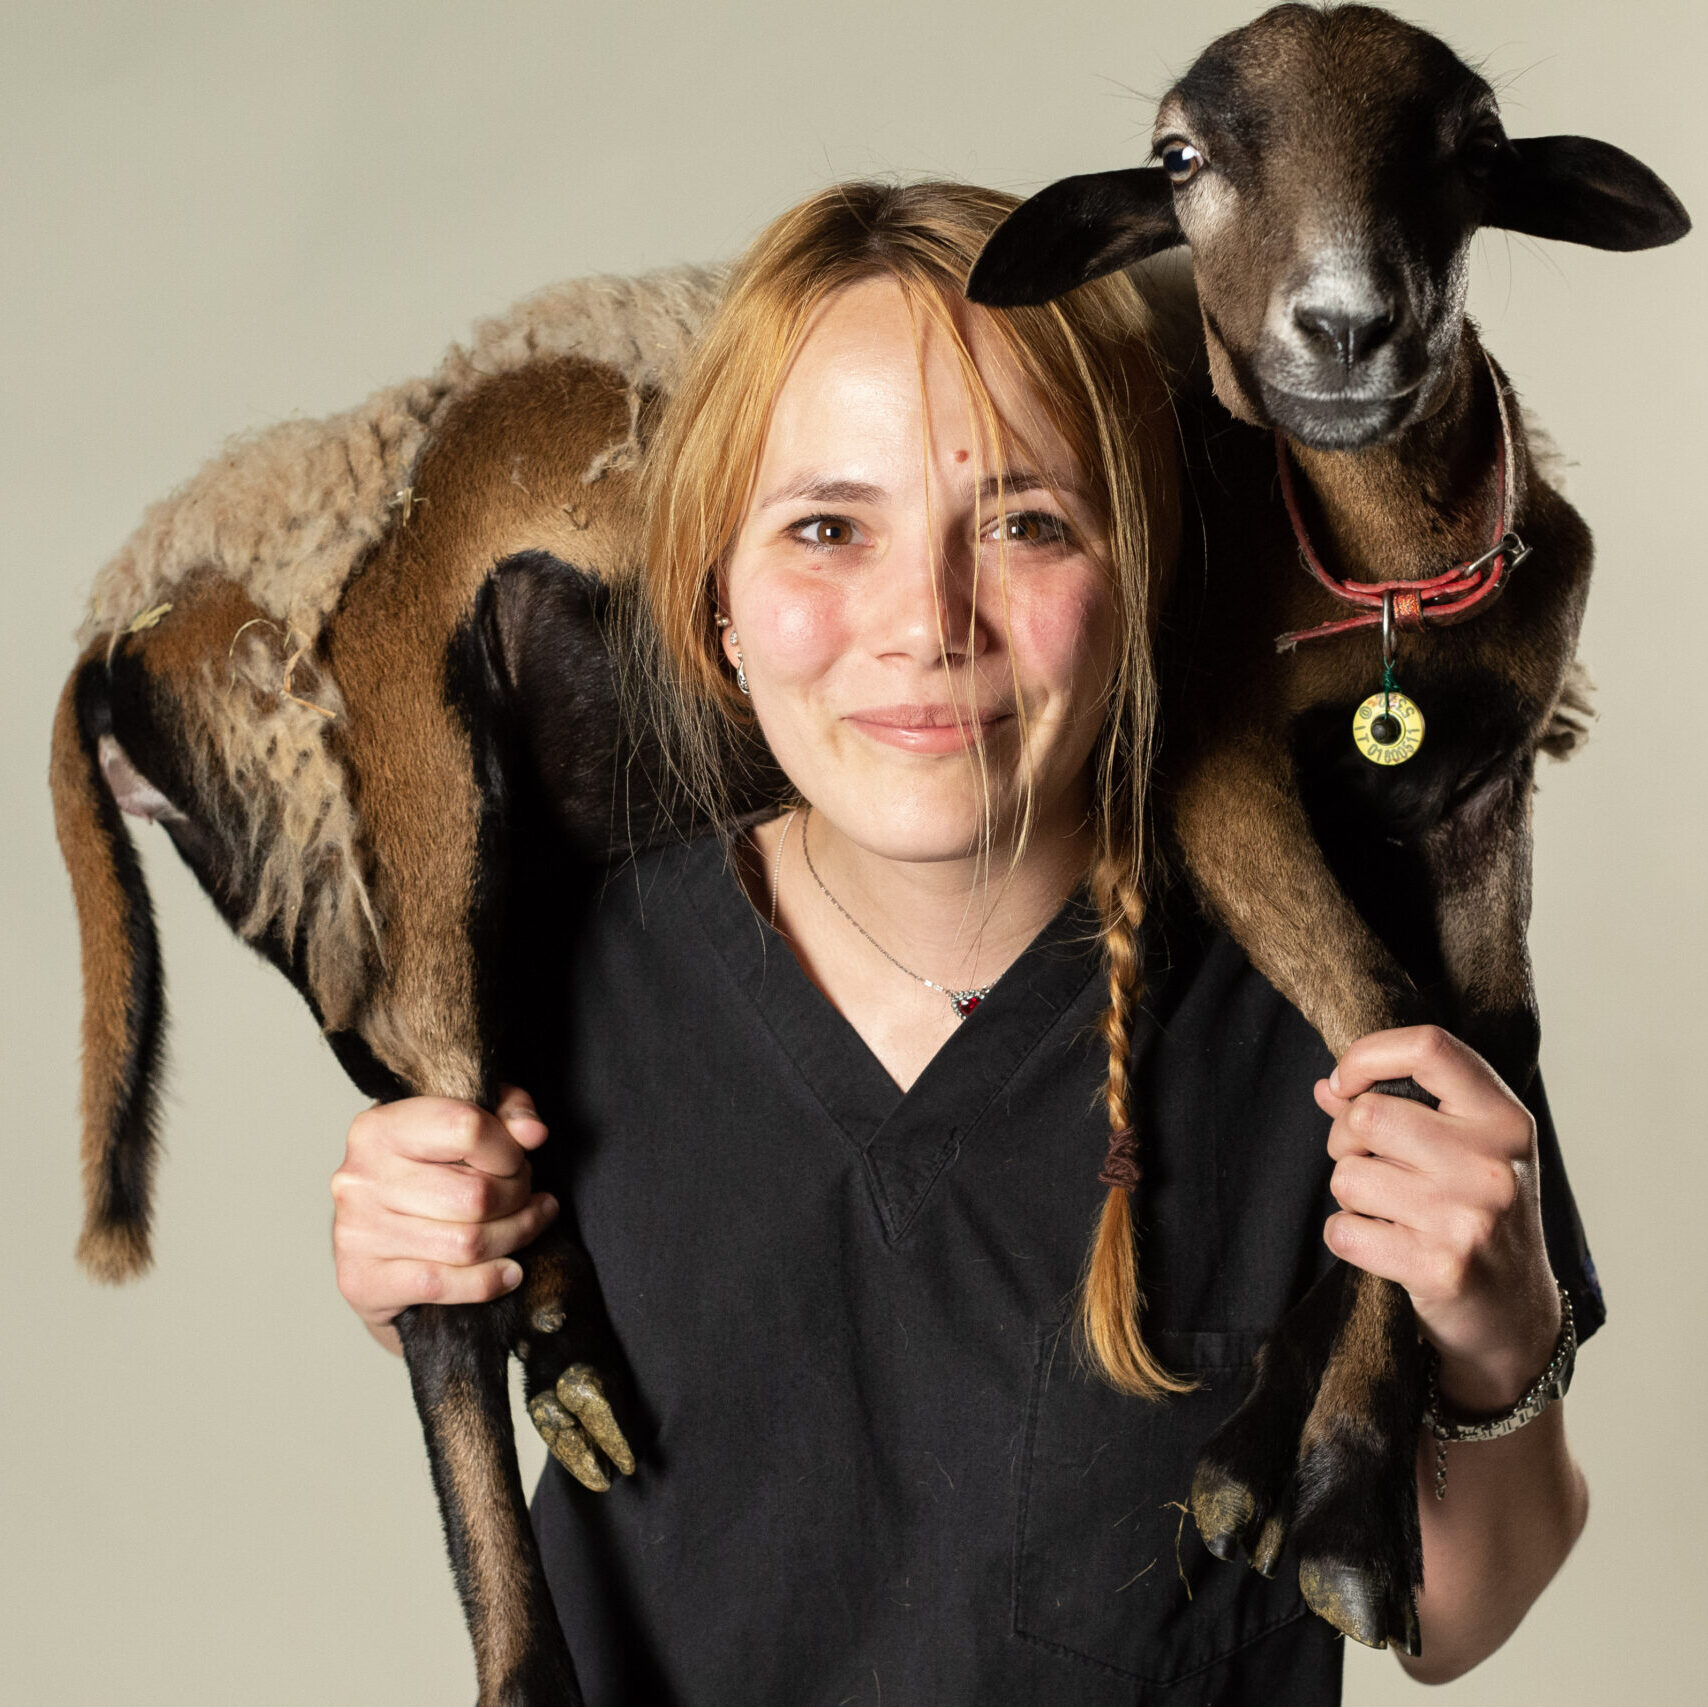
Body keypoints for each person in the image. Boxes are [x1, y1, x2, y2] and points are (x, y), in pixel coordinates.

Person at [329, 181, 1598, 1702]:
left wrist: (1500, 1340)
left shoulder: (1340, 1016)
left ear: (1139, 585)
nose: (927, 621)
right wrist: (422, 1262)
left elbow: (1451, 1620)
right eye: (825, 528)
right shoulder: (568, 983)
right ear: (718, 601)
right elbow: (557, 1345)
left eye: (1022, 523)